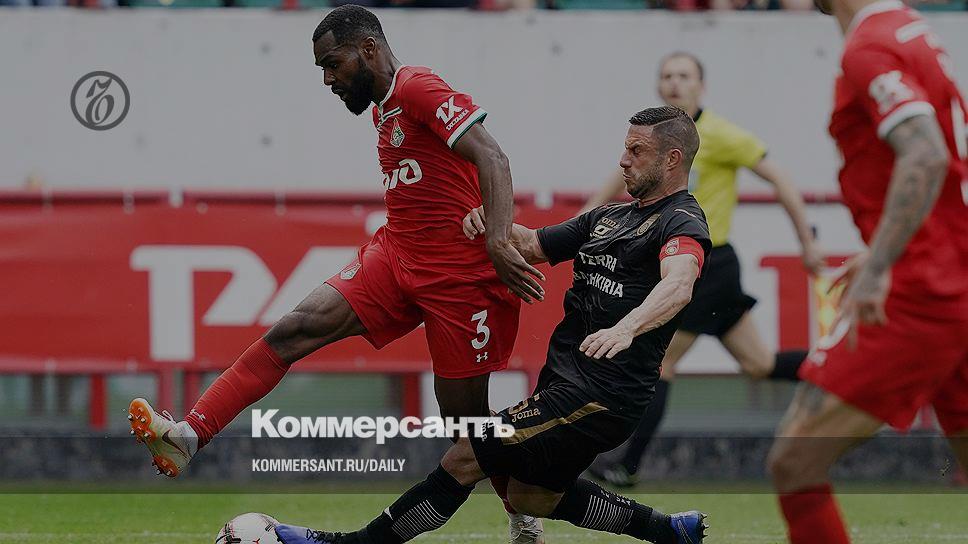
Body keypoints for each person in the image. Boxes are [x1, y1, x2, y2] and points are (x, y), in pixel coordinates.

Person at [126, 5, 547, 542]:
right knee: (294, 329)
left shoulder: (417, 87)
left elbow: (494, 158)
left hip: (460, 282)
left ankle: (523, 512)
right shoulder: (382, 108)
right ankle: (189, 435)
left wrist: (497, 239)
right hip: (396, 257)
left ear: (368, 49)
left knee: (465, 426)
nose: (328, 79)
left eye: (333, 64)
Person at [272, 106, 711, 544]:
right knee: (531, 497)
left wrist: (626, 327)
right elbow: (532, 244)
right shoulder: (609, 218)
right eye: (625, 148)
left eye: (636, 150)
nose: (623, 160)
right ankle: (670, 531)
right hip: (566, 384)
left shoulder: (681, 220)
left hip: (601, 395)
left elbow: (679, 283)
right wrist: (490, 223)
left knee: (466, 456)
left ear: (672, 159)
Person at [766, 1, 968, 542]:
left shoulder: (870, 46)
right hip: (953, 270)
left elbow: (925, 155)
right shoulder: (911, 30)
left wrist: (881, 265)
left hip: (923, 291)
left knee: (795, 459)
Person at [585, 52, 823, 488]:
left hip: (707, 266)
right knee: (759, 364)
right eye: (667, 76)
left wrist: (806, 243)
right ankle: (840, 370)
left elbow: (780, 179)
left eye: (684, 75)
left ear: (701, 86)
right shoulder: (654, 138)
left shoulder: (722, 135)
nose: (675, 83)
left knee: (661, 362)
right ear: (659, 86)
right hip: (691, 265)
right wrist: (585, 222)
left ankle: (626, 465)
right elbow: (618, 179)